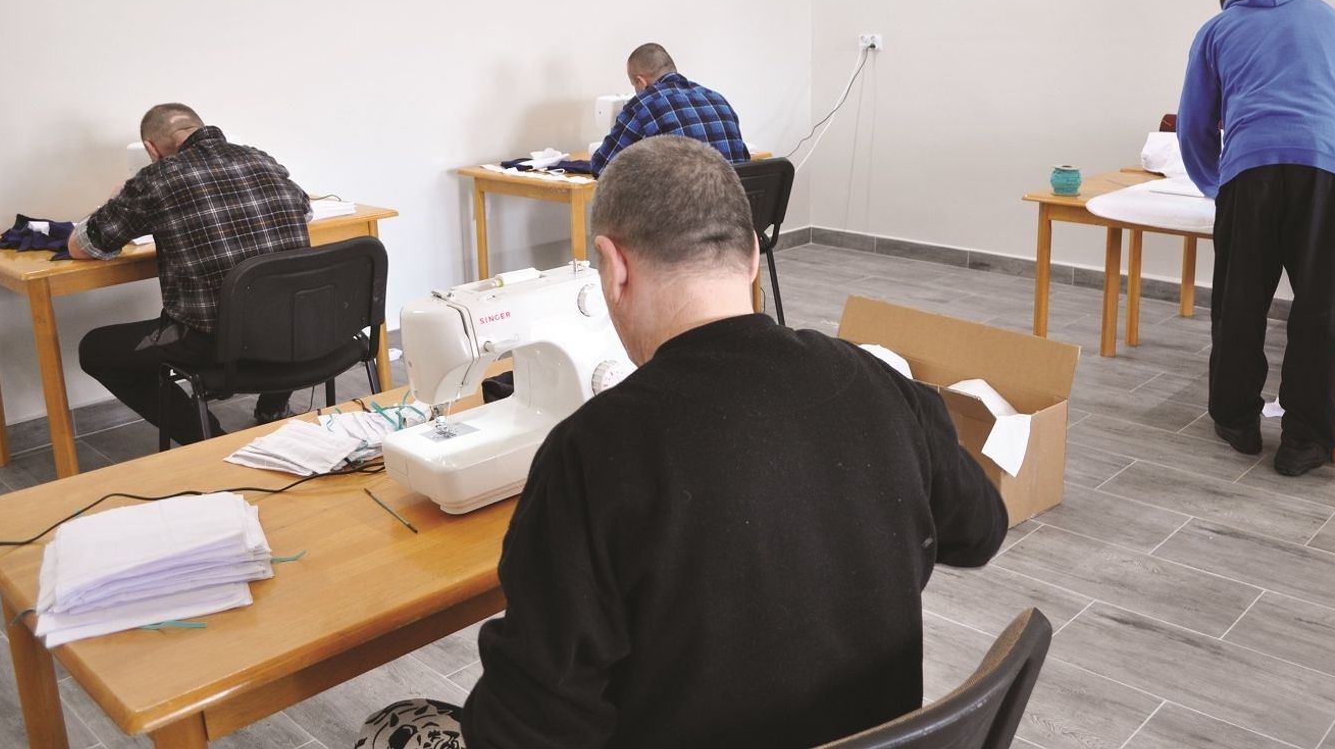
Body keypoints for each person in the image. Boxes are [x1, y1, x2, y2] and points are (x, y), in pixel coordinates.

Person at [357, 136, 1006, 749]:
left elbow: (524, 731)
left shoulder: (593, 452)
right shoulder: (880, 383)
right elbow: (980, 532)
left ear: (613, 268)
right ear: (752, 256)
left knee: (393, 724)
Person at [1177, 0, 1335, 476]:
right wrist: (1331, 154)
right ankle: (1305, 441)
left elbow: (1194, 123)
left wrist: (1216, 183)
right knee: (1321, 304)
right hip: (1325, 167)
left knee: (1239, 301)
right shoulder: (1328, 17)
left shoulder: (1218, 28)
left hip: (1251, 168)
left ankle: (1237, 422)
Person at [71, 104, 312, 444]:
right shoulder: (261, 159)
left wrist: (113, 202)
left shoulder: (156, 179)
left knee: (97, 349)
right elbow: (306, 211)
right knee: (275, 297)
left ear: (151, 149)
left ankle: (208, 440)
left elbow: (83, 246)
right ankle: (273, 408)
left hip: (216, 340)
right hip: (301, 330)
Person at [588, 42, 749, 175]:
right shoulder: (718, 99)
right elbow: (744, 161)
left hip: (684, 204)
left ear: (641, 82)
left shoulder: (643, 105)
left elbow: (603, 166)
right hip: (731, 204)